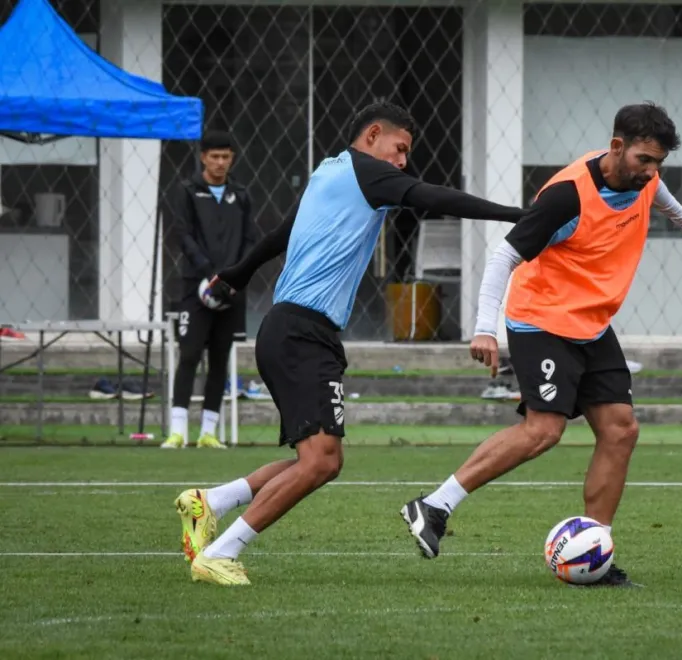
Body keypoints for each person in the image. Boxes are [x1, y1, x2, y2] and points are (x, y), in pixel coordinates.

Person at [171, 100, 525, 586]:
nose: (403, 161)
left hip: (294, 330)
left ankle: (210, 502)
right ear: (373, 134)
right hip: (300, 333)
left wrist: (235, 273)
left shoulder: (328, 172)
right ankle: (219, 552)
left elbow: (280, 234)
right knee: (321, 461)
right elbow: (434, 197)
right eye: (400, 148)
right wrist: (517, 215)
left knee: (319, 461)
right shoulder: (367, 172)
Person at [400, 102, 682, 588]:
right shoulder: (566, 197)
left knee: (621, 430)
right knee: (543, 430)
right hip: (542, 321)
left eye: (658, 162)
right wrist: (485, 328)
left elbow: (658, 190)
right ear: (616, 147)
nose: (651, 171)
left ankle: (595, 553)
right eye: (644, 160)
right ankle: (434, 505)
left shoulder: (642, 176)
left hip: (591, 323)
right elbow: (503, 257)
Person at [161, 130, 256, 450]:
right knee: (189, 355)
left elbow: (249, 239)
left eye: (225, 157)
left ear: (232, 159)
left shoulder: (240, 195)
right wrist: (207, 271)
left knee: (219, 358)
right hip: (196, 287)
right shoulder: (188, 191)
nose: (220, 162)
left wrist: (236, 275)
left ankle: (208, 433)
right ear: (203, 157)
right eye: (214, 156)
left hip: (230, 290)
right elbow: (182, 234)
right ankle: (177, 431)